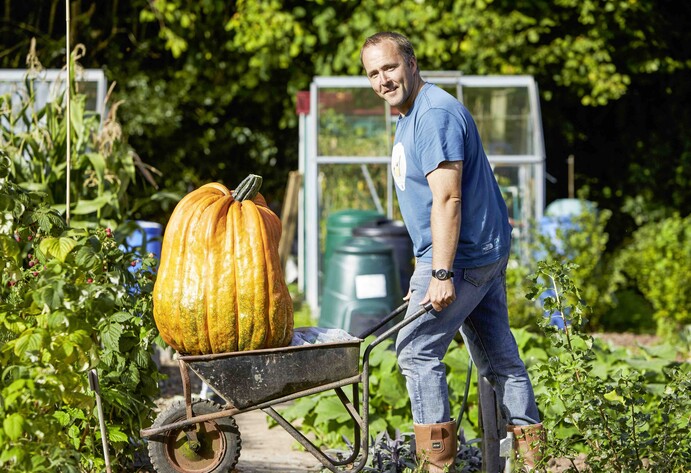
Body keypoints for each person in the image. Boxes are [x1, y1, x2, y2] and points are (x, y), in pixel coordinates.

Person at [360, 32, 544, 472]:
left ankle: (437, 465)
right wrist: (426, 269)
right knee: (501, 362)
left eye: (389, 67)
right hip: (474, 254)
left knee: (415, 351)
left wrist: (439, 274)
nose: (383, 80)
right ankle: (534, 462)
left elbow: (447, 199)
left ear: (411, 63)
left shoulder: (435, 114)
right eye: (373, 73)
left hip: (461, 259)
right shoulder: (411, 114)